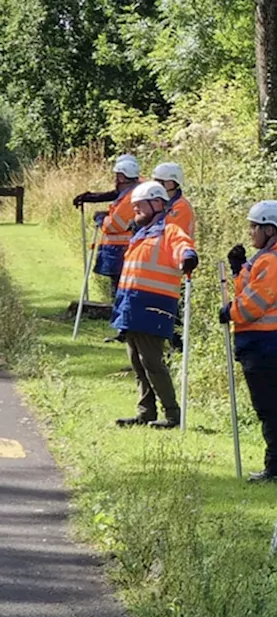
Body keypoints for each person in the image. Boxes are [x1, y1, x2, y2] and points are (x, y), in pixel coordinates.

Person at [219, 200, 277, 483]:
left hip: (268, 343)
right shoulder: (266, 258)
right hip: (262, 342)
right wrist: (239, 268)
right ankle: (275, 465)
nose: (250, 231)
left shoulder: (274, 261)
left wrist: (229, 312)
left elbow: (253, 304)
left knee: (270, 408)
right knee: (267, 406)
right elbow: (249, 289)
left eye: (255, 226)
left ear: (271, 230)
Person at [112, 180, 199, 430]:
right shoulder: (140, 234)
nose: (135, 210)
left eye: (140, 206)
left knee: (151, 361)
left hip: (155, 306)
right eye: (134, 206)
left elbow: (183, 246)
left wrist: (188, 258)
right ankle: (145, 411)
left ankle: (172, 414)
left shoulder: (169, 230)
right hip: (132, 305)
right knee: (137, 361)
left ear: (157, 204)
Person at [72, 154, 140, 299]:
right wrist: (92, 197)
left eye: (117, 176)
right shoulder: (137, 187)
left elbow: (114, 225)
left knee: (120, 286)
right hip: (125, 246)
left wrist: (101, 218)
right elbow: (116, 195)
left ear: (122, 177)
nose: (115, 180)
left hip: (120, 247)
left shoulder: (130, 197)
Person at [152, 162, 196, 241]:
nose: (156, 185)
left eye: (160, 181)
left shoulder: (181, 206)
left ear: (172, 183)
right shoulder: (161, 201)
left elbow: (168, 231)